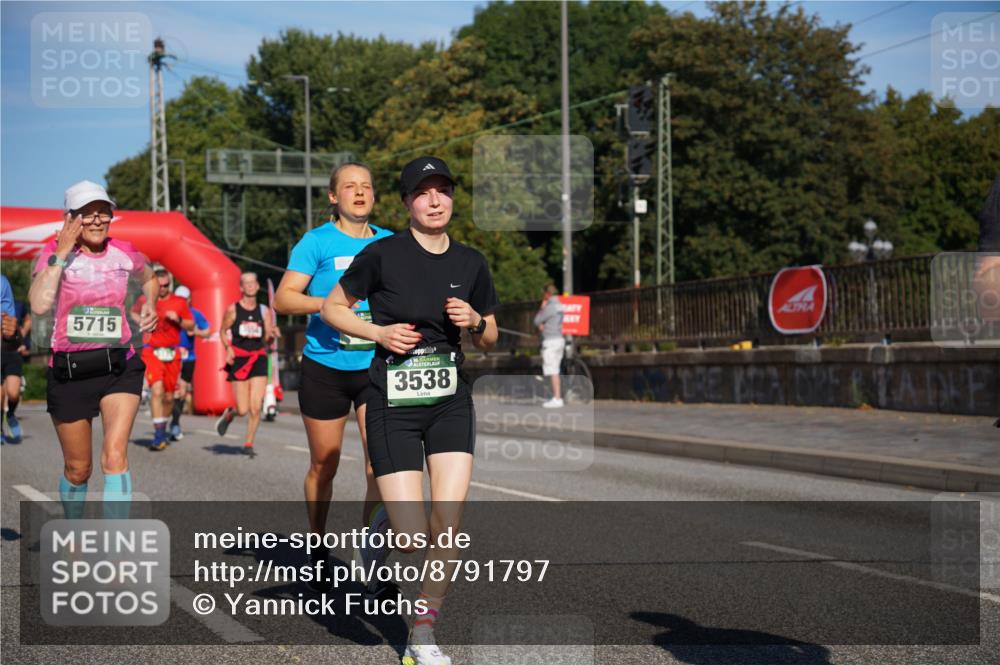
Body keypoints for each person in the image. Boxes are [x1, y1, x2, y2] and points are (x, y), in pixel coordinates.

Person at [322, 156, 499, 665]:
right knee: (411, 537)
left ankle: (422, 635)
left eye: (443, 190)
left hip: (449, 403)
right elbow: (333, 307)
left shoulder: (471, 262)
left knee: (448, 526)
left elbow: (490, 336)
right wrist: (377, 332)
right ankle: (380, 531)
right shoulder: (382, 254)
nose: (435, 200)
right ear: (407, 202)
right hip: (391, 403)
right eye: (423, 192)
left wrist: (475, 321)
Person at [275, 161, 394, 592]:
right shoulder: (317, 241)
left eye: (366, 186)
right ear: (333, 196)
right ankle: (318, 546)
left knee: (379, 464)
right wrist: (331, 305)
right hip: (326, 366)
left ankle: (371, 559)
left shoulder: (390, 243)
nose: (359, 192)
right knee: (324, 463)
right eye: (350, 186)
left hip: (375, 367)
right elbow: (284, 299)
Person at [28, 180, 157, 518]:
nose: (97, 220)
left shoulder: (125, 251)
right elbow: (39, 304)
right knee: (78, 469)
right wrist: (61, 253)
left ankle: (117, 544)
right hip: (70, 371)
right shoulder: (51, 253)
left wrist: (151, 304)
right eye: (87, 214)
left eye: (103, 212)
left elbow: (150, 278)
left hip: (119, 366)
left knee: (114, 457)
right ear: (70, 219)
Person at [215, 272, 276, 456]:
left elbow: (267, 338)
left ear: (257, 286)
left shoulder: (264, 311)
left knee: (256, 407)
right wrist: (228, 348)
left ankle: (248, 443)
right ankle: (231, 414)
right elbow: (222, 331)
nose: (250, 286)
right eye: (246, 283)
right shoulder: (233, 310)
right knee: (243, 409)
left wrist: (272, 334)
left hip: (258, 358)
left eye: (253, 282)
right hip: (239, 359)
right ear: (241, 288)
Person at [137, 269, 194, 451]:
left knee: (169, 397)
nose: (162, 289)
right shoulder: (145, 300)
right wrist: (142, 321)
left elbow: (191, 324)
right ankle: (159, 434)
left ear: (170, 284)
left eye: (166, 285)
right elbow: (132, 313)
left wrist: (178, 319)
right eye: (159, 285)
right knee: (157, 390)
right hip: (151, 350)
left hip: (171, 352)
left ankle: (163, 426)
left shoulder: (179, 302)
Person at [170, 285, 211, 441]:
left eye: (184, 299)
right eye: (178, 299)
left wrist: (195, 331)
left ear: (189, 300)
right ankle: (165, 419)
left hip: (188, 357)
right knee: (169, 392)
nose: (182, 302)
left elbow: (207, 332)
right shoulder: (169, 312)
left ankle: (175, 423)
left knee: (181, 391)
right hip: (169, 356)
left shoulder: (195, 314)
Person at [1, 297, 31, 443]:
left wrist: (22, 336)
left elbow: (28, 320)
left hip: (13, 353)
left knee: (13, 393)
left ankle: (10, 415)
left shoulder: (17, 304)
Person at [534, 283, 566, 408]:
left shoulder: (550, 306)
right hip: (559, 339)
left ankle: (557, 398)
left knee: (552, 370)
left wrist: (542, 307)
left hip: (550, 341)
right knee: (556, 368)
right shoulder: (560, 305)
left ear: (547, 294)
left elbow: (537, 320)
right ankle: (556, 395)